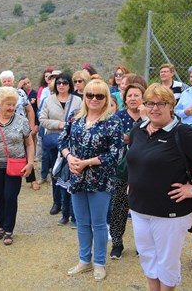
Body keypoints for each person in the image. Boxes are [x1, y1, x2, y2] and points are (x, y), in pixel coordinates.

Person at [127, 84, 192, 290]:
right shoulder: (139, 130)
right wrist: (131, 185)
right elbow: (134, 160)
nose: (154, 108)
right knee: (147, 257)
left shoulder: (183, 133)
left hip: (170, 211)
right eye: (150, 103)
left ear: (172, 106)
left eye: (161, 103)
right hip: (139, 208)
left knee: (167, 262)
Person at [59, 79, 123, 281]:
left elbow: (116, 154)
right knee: (82, 223)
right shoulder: (75, 118)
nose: (94, 99)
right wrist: (69, 158)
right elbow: (62, 140)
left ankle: (100, 263)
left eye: (99, 95)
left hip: (101, 180)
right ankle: (84, 260)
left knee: (99, 223)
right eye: (90, 95)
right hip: (77, 178)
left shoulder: (113, 122)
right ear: (84, 96)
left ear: (106, 99)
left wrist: (87, 162)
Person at [0, 86, 35, 245]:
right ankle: (1, 225)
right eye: (8, 104)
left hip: (16, 165)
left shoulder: (22, 122)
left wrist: (30, 163)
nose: (11, 107)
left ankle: (9, 229)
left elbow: (29, 144)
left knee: (10, 196)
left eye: (13, 104)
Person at [109, 83, 147, 260]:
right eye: (129, 95)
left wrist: (130, 137)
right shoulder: (118, 117)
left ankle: (143, 245)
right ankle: (117, 243)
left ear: (143, 98)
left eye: (136, 95)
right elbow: (113, 139)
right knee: (119, 205)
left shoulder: (149, 116)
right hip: (122, 168)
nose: (133, 98)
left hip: (145, 169)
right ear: (124, 99)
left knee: (144, 208)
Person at [39, 73, 82, 224]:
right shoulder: (48, 100)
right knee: (55, 173)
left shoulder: (77, 100)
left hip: (72, 143)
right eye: (59, 83)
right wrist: (59, 124)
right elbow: (42, 119)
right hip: (54, 141)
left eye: (64, 82)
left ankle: (69, 208)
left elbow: (83, 117)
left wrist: (71, 125)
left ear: (69, 84)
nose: (61, 85)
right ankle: (56, 202)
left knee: (69, 174)